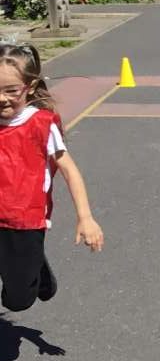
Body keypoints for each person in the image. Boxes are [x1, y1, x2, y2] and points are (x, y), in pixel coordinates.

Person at [0, 42, 103, 311]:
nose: (2, 98)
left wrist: (85, 217)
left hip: (25, 221)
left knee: (17, 301)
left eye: (11, 91)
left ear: (30, 87)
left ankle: (38, 271)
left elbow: (69, 170)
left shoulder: (40, 124)